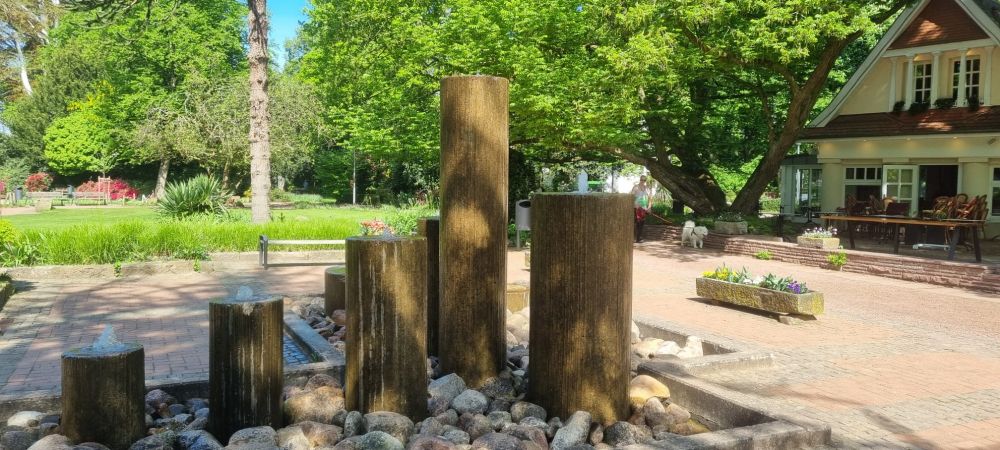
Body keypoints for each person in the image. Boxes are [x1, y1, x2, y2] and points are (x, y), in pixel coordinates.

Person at [631, 175, 653, 242]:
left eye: (644, 180)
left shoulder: (647, 188)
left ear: (645, 181)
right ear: (640, 179)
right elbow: (631, 197)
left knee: (641, 223)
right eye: (642, 180)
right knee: (636, 222)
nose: (643, 181)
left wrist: (649, 207)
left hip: (644, 208)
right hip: (636, 207)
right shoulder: (635, 187)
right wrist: (635, 204)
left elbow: (650, 199)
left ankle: (639, 238)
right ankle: (634, 238)